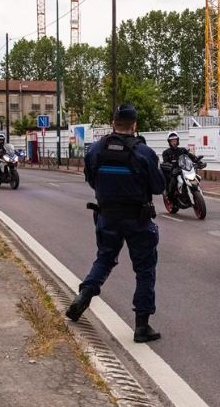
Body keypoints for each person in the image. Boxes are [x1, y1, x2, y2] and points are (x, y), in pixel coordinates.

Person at [66, 104, 166, 343]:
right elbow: (159, 186)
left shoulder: (96, 150)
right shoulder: (143, 153)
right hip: (138, 220)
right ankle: (142, 326)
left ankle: (85, 295)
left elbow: (91, 179)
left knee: (104, 258)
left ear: (113, 123)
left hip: (107, 216)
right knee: (144, 270)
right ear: (134, 125)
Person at [161, 132, 204, 199]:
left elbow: (191, 156)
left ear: (177, 141)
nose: (174, 142)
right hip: (173, 172)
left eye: (175, 140)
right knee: (173, 181)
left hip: (184, 170)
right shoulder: (166, 152)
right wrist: (170, 167)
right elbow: (165, 162)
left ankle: (191, 193)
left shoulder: (182, 150)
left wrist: (198, 161)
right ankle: (170, 197)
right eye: (172, 141)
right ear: (169, 142)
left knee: (195, 177)